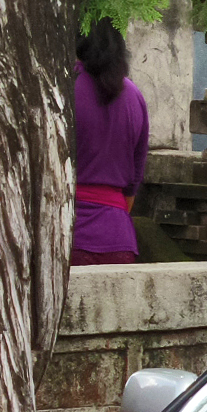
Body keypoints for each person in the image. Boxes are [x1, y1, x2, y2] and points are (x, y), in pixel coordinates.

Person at [72, 22, 148, 266]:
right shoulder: (135, 96)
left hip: (71, 235)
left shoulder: (64, 90)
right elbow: (134, 182)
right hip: (120, 239)